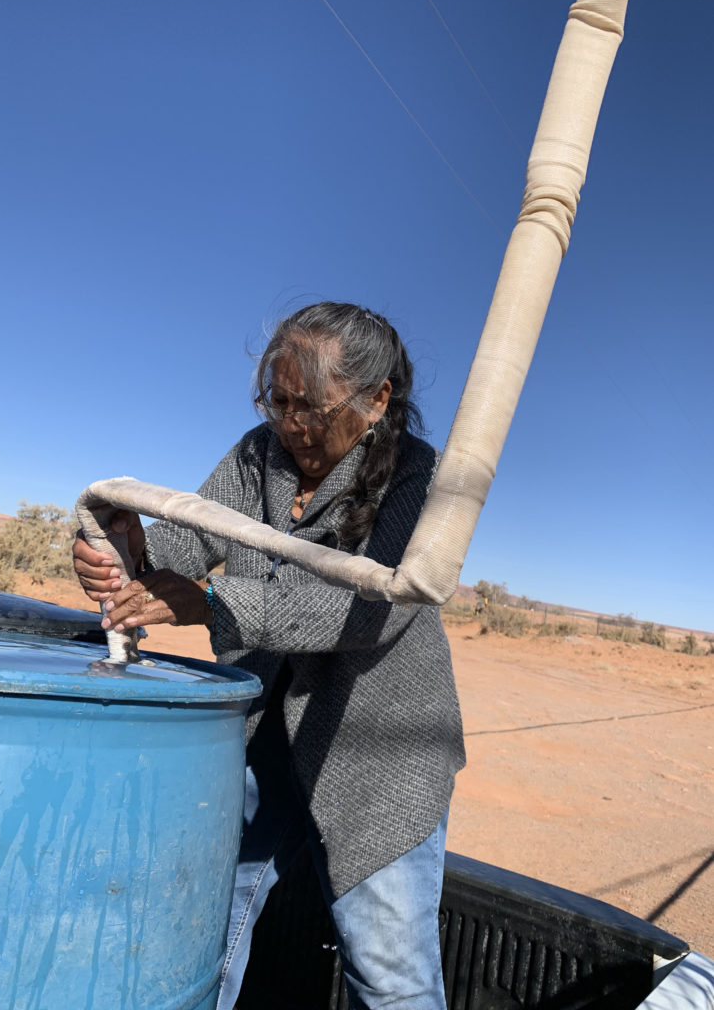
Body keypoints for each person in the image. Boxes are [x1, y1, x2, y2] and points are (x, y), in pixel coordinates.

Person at [73, 301, 465, 1010]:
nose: (291, 424)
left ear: (377, 399)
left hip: (376, 757)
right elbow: (186, 544)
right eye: (277, 401)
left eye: (310, 407)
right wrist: (125, 552)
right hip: (261, 739)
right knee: (204, 932)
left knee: (388, 974)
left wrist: (218, 604)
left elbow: (372, 612)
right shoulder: (260, 454)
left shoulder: (418, 476)